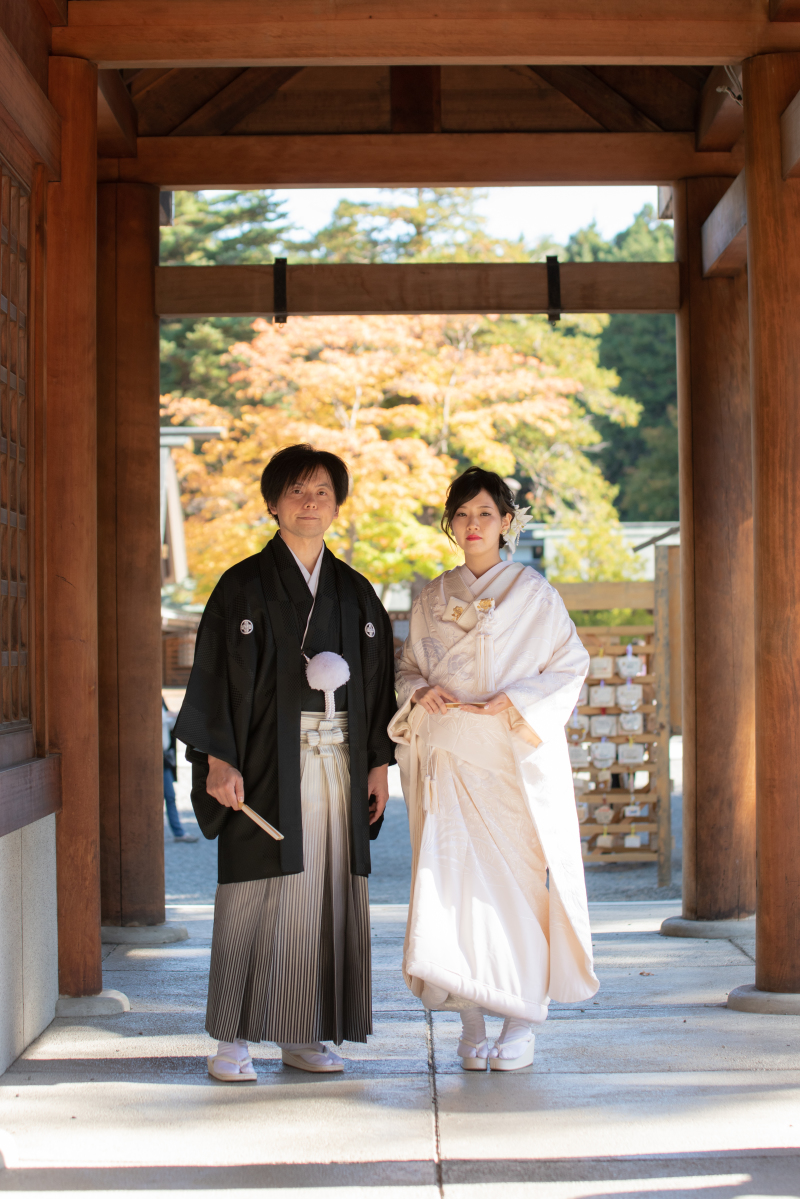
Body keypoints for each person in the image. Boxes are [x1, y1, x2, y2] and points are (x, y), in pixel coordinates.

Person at [175, 444, 396, 1080]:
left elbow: (377, 684)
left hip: (338, 764)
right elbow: (215, 676)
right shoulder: (241, 584)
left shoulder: (354, 591)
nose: (309, 503)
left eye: (322, 492)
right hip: (264, 765)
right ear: (272, 503)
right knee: (251, 891)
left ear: (337, 505)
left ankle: (305, 1033)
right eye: (296, 491)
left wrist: (378, 765)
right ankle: (233, 1040)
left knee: (323, 892)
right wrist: (219, 757)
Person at [389, 467, 599, 1072]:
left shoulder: (535, 595)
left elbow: (570, 665)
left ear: (507, 522)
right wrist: (420, 690)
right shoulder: (432, 596)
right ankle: (472, 1020)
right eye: (461, 514)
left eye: (484, 513)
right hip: (451, 759)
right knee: (455, 888)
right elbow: (405, 670)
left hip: (511, 760)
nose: (472, 525)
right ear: (450, 524)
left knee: (517, 887)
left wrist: (519, 699)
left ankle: (520, 1021)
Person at [162, 699, 197, 842]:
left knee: (170, 796)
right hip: (148, 758)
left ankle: (178, 832)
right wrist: (169, 715)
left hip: (163, 758)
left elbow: (169, 725)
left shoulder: (160, 699)